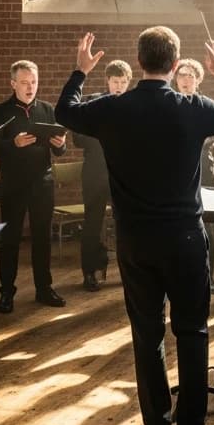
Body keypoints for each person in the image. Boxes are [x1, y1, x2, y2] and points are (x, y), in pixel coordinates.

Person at [55, 27, 214, 425]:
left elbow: (65, 111)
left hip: (135, 241)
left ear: (139, 62)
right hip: (184, 239)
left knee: (147, 336)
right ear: (177, 64)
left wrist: (80, 70)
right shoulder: (193, 106)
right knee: (193, 333)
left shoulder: (114, 108)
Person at [0, 59, 68, 313]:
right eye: (24, 82)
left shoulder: (47, 109)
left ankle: (44, 289)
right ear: (13, 84)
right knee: (10, 239)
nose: (30, 87)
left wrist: (59, 144)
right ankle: (6, 293)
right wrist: (14, 144)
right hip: (13, 184)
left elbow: (61, 151)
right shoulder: (0, 112)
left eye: (33, 82)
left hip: (42, 183)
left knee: (42, 238)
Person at [72, 59, 132, 291]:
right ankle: (90, 272)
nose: (119, 86)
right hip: (95, 172)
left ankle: (127, 272)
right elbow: (78, 138)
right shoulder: (90, 102)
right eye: (115, 81)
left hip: (123, 174)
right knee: (92, 223)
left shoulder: (133, 104)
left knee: (126, 224)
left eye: (123, 82)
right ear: (107, 81)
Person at [174, 58, 214, 294]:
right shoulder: (168, 104)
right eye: (182, 74)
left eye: (191, 75)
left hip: (203, 172)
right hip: (176, 175)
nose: (186, 79)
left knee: (206, 226)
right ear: (175, 78)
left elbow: (212, 137)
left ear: (198, 80)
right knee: (177, 227)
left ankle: (209, 278)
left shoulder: (206, 105)